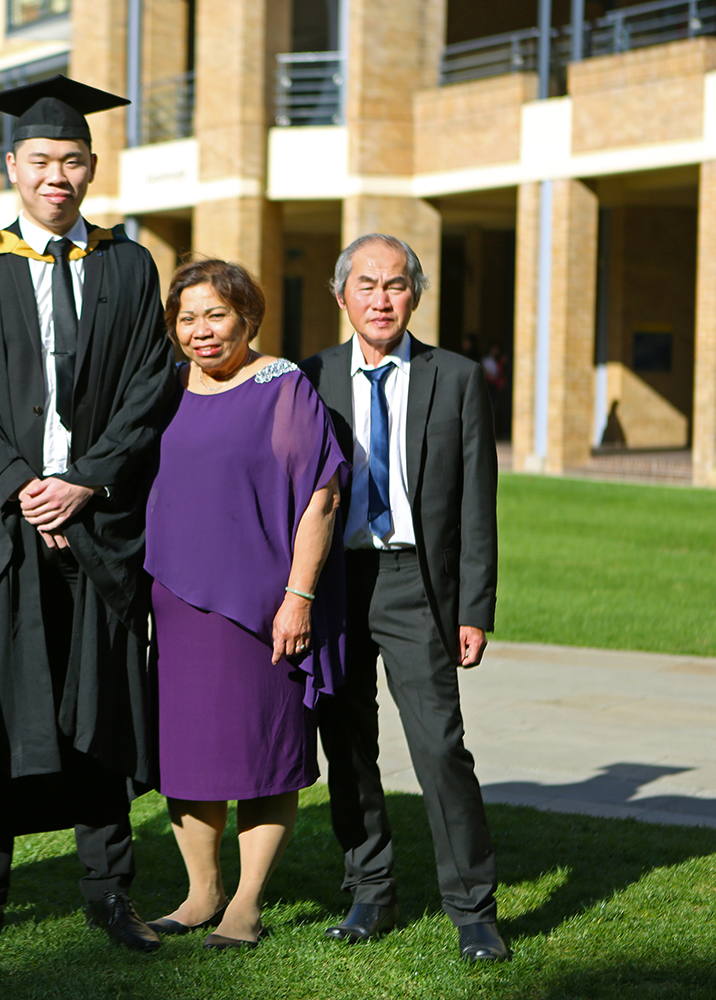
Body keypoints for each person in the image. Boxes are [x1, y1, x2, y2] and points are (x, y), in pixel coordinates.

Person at [0, 75, 176, 955]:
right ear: (12, 166)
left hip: (98, 524)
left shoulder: (130, 266)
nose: (56, 175)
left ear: (92, 167)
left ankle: (108, 889)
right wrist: (23, 483)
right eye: (40, 160)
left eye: (72, 160)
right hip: (0, 525)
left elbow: (150, 384)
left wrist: (87, 481)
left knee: (102, 703)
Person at [299, 234, 508, 962]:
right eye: (366, 284)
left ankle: (473, 909)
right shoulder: (311, 375)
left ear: (414, 295)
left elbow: (479, 501)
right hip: (335, 586)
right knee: (348, 746)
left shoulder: (454, 377)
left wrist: (474, 607)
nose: (380, 298)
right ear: (341, 296)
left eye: (394, 284)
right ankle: (370, 890)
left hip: (417, 586)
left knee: (440, 748)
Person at [143, 259, 346, 950]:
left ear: (247, 318)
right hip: (176, 600)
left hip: (262, 607)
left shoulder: (281, 386)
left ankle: (248, 904)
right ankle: (202, 894)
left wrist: (298, 598)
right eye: (187, 318)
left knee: (264, 754)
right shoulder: (163, 390)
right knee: (190, 756)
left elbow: (322, 494)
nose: (202, 331)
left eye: (216, 315)